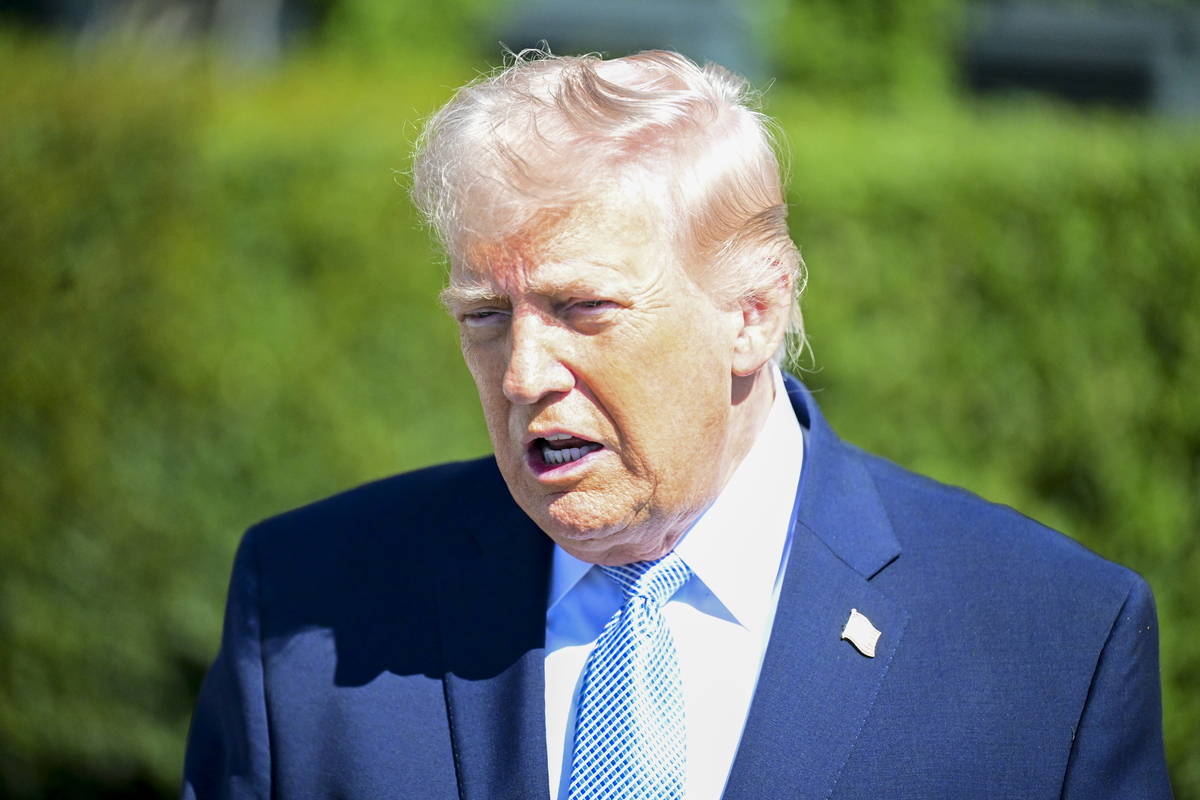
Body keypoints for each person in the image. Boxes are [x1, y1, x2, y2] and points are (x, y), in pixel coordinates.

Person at [182, 50, 1173, 799]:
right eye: (485, 317)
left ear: (752, 311)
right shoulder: (308, 608)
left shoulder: (1050, 642)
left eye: (584, 310)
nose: (523, 372)